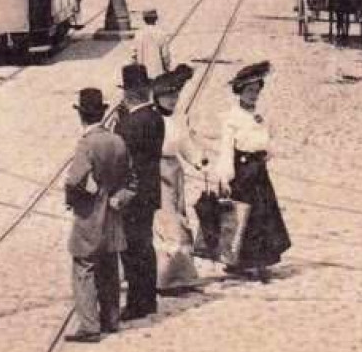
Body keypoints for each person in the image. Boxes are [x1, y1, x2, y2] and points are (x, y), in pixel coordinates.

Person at [62, 87, 133, 343]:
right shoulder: (117, 140)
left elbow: (75, 180)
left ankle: (89, 326)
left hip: (90, 215)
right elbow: (130, 180)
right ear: (101, 113)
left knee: (84, 267)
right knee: (109, 267)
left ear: (81, 115)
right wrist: (117, 198)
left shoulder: (87, 143)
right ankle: (111, 319)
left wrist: (73, 198)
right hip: (113, 214)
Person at [213, 62, 291, 278]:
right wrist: (225, 176)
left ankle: (261, 261)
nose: (253, 96)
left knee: (264, 214)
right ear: (239, 92)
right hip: (242, 171)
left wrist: (268, 151)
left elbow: (268, 137)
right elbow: (227, 148)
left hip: (259, 170)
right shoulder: (231, 117)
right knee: (243, 215)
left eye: (256, 91)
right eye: (249, 91)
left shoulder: (261, 114)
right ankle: (239, 260)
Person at [106, 63, 164, 321]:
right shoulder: (155, 117)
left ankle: (137, 303)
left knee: (131, 250)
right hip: (150, 191)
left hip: (132, 195)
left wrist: (120, 121)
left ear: (128, 93)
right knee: (145, 247)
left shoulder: (129, 124)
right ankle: (148, 299)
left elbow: (118, 155)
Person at [151, 64, 205, 294]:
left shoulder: (179, 118)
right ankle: (165, 278)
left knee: (180, 221)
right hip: (156, 170)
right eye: (167, 96)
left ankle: (182, 275)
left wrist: (199, 161)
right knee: (166, 223)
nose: (172, 100)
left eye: (176, 95)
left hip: (175, 170)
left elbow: (184, 143)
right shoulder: (152, 119)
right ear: (157, 96)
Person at [134, 8, 172, 74]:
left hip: (142, 73)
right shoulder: (160, 33)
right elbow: (165, 55)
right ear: (156, 18)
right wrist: (167, 68)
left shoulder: (138, 33)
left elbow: (134, 54)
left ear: (144, 19)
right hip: (157, 71)